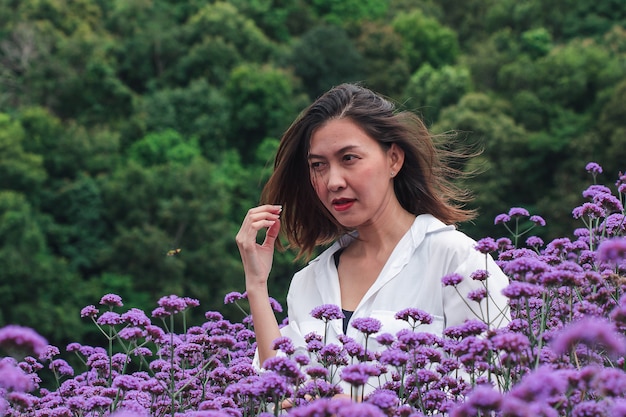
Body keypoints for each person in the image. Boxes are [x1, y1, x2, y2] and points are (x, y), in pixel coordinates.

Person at [235, 83, 510, 381]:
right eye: (318, 165)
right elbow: (279, 392)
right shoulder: (308, 283)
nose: (333, 181)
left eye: (349, 158)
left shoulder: (457, 260)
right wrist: (257, 285)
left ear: (393, 159)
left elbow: (494, 388)